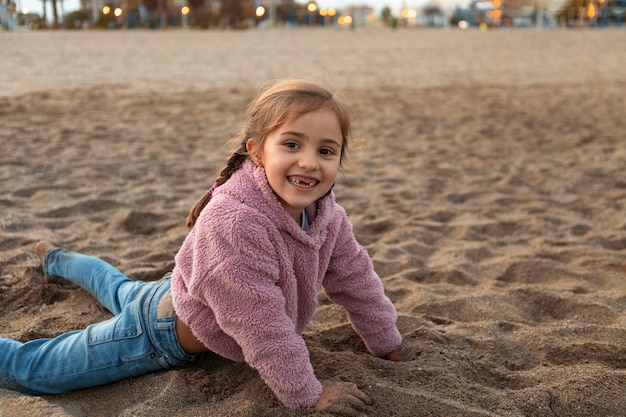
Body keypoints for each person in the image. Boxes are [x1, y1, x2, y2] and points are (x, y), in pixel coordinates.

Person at [0, 79, 415, 411]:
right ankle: (55, 266)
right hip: (157, 332)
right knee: (34, 370)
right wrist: (307, 394)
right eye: (291, 144)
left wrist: (387, 343)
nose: (309, 162)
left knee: (119, 288)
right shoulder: (235, 222)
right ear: (256, 151)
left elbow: (357, 279)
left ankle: (57, 258)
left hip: (178, 292)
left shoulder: (327, 216)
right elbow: (262, 327)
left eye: (326, 150)